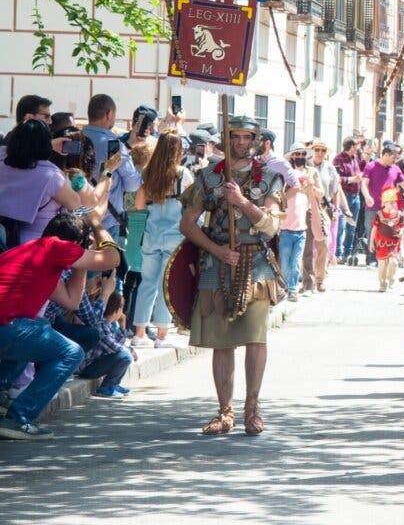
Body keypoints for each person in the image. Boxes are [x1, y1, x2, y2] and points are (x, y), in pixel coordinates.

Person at [178, 116, 285, 435]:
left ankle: (253, 409)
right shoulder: (208, 177)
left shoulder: (270, 177)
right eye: (234, 136)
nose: (240, 141)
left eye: (246, 136)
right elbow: (187, 224)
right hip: (217, 260)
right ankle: (225, 412)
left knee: (255, 338)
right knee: (221, 341)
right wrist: (217, 250)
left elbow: (271, 225)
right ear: (226, 139)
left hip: (257, 263)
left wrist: (240, 201)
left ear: (256, 140)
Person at [0, 211, 120, 439]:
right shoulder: (57, 247)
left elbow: (72, 301)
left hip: (6, 325)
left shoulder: (37, 252)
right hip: (5, 326)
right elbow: (113, 259)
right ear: (75, 243)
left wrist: (82, 261)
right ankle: (18, 418)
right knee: (71, 352)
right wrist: (97, 224)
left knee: (39, 325)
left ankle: (1, 392)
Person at [128, 132, 193, 348]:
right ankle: (162, 335)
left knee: (147, 283)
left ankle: (139, 334)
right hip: (175, 236)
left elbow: (138, 206)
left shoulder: (148, 173)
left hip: (151, 234)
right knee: (167, 285)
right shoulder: (183, 174)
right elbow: (193, 205)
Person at [0, 121, 81, 248]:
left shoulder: (3, 163)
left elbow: (5, 151)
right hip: (36, 246)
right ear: (45, 145)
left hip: (4, 241)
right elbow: (75, 203)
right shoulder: (51, 176)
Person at [81, 94, 143, 238]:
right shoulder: (112, 144)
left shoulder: (75, 139)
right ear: (109, 114)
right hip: (107, 221)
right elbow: (132, 185)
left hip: (79, 219)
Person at [277, 143, 326, 302]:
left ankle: (303, 285)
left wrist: (310, 185)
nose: (300, 157)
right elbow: (281, 195)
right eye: (297, 154)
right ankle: (285, 286)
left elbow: (321, 193)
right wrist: (297, 186)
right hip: (287, 219)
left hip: (308, 214)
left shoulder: (312, 172)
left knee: (304, 253)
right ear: (292, 156)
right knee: (286, 258)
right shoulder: (286, 173)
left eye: (303, 154)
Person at [361, 145, 404, 266]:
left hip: (390, 208)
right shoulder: (371, 166)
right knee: (372, 230)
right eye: (393, 157)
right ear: (385, 155)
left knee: (389, 232)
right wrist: (367, 196)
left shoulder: (395, 169)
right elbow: (364, 184)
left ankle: (387, 257)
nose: (394, 160)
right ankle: (372, 259)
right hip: (373, 206)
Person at [306, 137, 343, 292]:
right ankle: (307, 278)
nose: (320, 153)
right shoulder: (305, 165)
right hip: (306, 208)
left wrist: (336, 209)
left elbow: (336, 191)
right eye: (317, 150)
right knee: (307, 244)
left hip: (323, 209)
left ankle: (320, 279)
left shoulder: (329, 168)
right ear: (312, 151)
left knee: (323, 244)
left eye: (323, 150)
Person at [333, 137, 365, 264]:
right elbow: (337, 178)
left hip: (355, 196)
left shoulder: (355, 158)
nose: (358, 148)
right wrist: (353, 179)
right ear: (351, 146)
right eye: (356, 146)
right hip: (344, 195)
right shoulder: (338, 159)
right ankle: (337, 253)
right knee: (340, 226)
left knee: (352, 226)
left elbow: (361, 170)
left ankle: (347, 254)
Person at [369, 188, 404, 291]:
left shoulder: (399, 215)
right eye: (390, 202)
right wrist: (371, 242)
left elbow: (401, 228)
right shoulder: (379, 215)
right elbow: (374, 229)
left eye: (394, 202)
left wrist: (400, 234)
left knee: (393, 262)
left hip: (393, 243)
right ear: (385, 202)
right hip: (382, 244)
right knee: (382, 264)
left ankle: (391, 279)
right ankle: (382, 283)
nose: (393, 204)